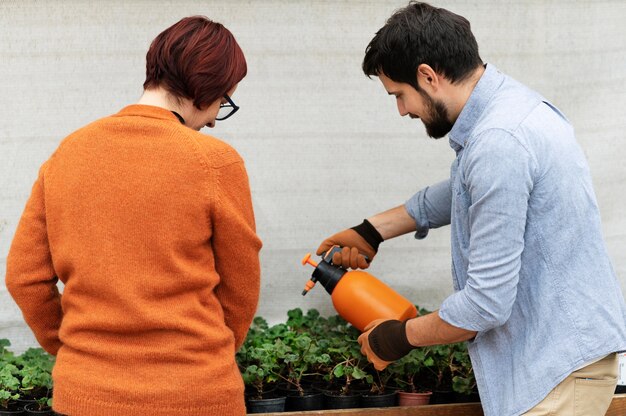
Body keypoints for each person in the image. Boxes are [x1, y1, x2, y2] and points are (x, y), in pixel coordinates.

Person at [316, 2, 626, 415]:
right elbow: (467, 189)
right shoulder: (509, 109)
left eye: (400, 95)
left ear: (428, 76)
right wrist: (374, 230)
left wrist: (398, 337)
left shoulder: (498, 141)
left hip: (556, 370)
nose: (402, 110)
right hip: (558, 362)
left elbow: (485, 303)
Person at [5, 16, 261, 416]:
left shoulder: (68, 153)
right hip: (196, 395)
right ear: (204, 87)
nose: (214, 119)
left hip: (86, 394)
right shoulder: (215, 162)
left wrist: (78, 349)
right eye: (222, 102)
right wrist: (202, 356)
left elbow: (24, 276)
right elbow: (240, 289)